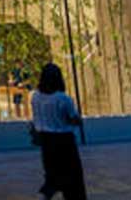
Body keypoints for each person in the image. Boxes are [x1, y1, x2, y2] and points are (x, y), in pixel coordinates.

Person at [31, 63, 86, 200]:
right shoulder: (63, 98)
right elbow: (73, 119)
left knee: (52, 175)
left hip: (45, 141)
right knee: (73, 178)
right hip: (64, 141)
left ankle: (44, 194)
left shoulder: (35, 96)